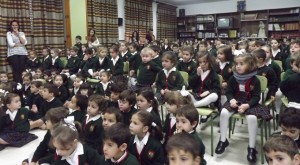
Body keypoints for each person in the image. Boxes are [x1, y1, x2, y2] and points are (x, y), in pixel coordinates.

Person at [215, 53, 272, 163]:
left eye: (242, 64)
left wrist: (247, 105)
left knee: (252, 118)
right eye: (237, 64)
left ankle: (252, 147)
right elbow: (229, 91)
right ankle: (222, 141)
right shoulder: (233, 78)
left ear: (250, 65)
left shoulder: (255, 79)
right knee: (224, 112)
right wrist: (231, 100)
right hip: (235, 100)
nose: (238, 66)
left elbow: (256, 97)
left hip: (249, 102)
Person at [38, 120, 103, 164]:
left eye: (63, 149)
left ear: (74, 143)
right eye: (57, 148)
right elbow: (53, 159)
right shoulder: (60, 153)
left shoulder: (89, 153)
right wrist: (40, 161)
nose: (59, 152)